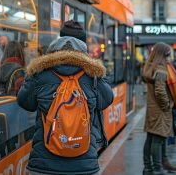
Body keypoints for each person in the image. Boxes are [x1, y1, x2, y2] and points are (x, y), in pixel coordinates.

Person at [17, 21, 113, 175]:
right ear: (83, 50)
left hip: (44, 163)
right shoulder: (93, 75)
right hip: (84, 164)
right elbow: (107, 99)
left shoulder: (40, 73)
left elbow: (24, 102)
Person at [142, 42, 175, 174]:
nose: (169, 57)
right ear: (163, 54)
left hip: (152, 108)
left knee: (150, 138)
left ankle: (147, 167)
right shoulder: (161, 69)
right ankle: (157, 168)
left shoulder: (150, 67)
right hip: (160, 110)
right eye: (168, 54)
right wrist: (166, 105)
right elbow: (160, 91)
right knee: (158, 138)